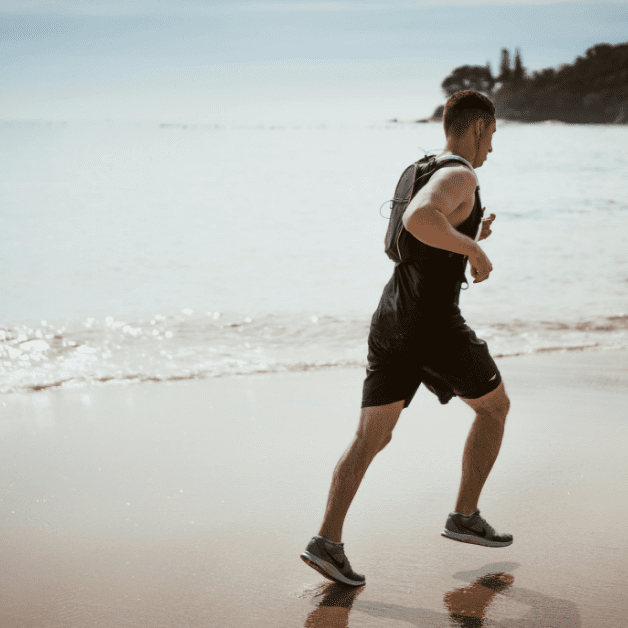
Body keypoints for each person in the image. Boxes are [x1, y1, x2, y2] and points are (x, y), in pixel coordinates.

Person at [301, 90, 513, 587]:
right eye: (493, 136)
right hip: (433, 326)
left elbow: (403, 242)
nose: (492, 150)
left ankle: (326, 541)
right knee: (495, 408)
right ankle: (464, 516)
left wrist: (464, 236)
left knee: (371, 437)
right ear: (479, 126)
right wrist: (475, 253)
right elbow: (421, 220)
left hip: (391, 319)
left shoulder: (417, 169)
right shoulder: (461, 173)